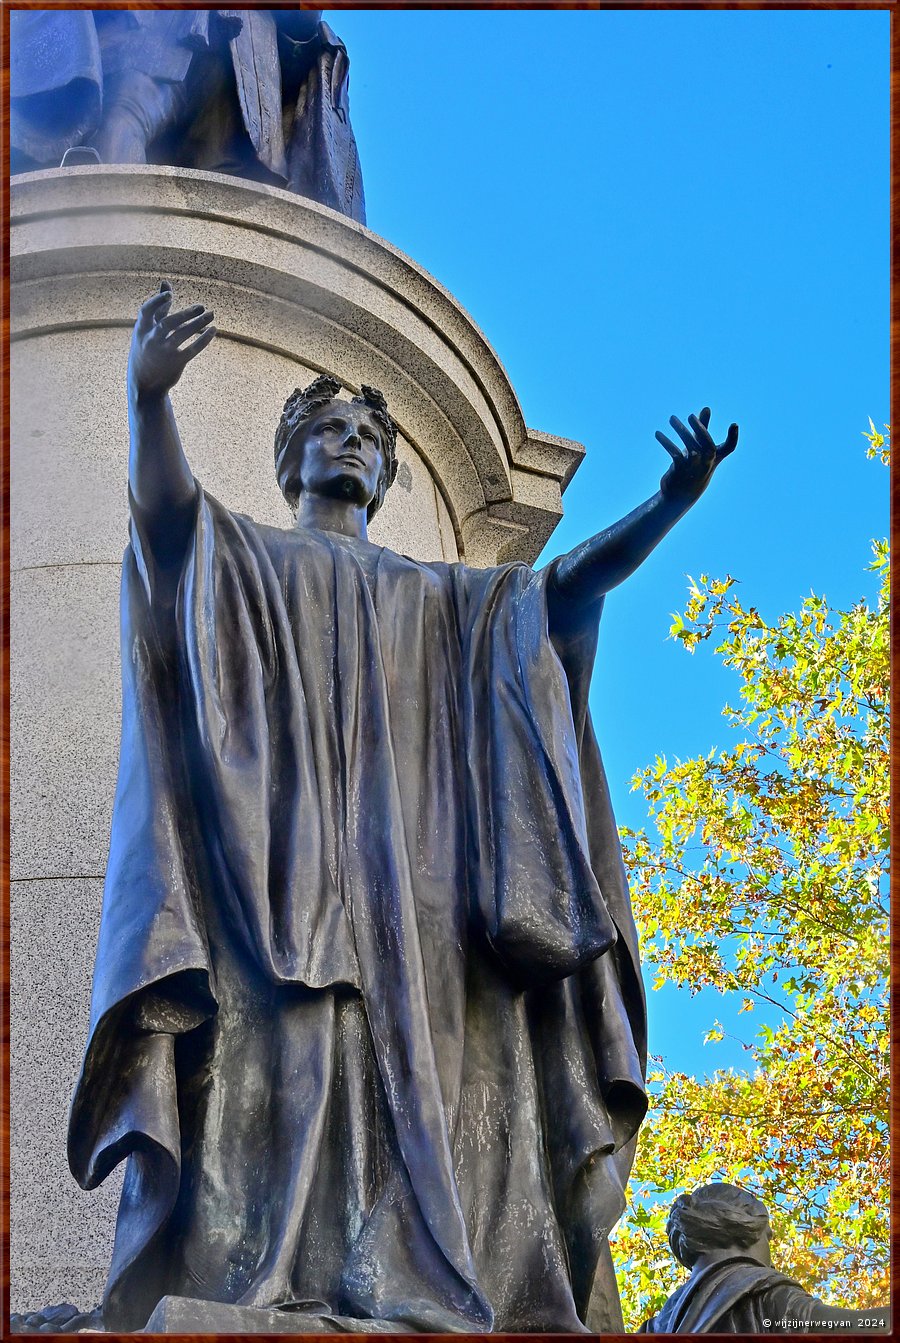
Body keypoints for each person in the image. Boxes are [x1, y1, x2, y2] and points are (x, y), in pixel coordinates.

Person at [67, 283, 737, 1333]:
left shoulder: (450, 596)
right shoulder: (250, 554)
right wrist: (149, 399)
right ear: (291, 457)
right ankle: (263, 1275)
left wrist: (667, 505)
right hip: (275, 878)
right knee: (281, 1066)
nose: (348, 444)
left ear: (386, 472)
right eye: (326, 428)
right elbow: (167, 521)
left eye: (366, 438)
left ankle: (417, 1276)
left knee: (443, 1090)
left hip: (427, 903)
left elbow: (561, 593)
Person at [10, 10, 365, 223]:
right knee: (122, 122)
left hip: (241, 71)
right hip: (148, 40)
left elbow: (299, 30)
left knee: (231, 198)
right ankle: (103, 246)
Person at [640, 1183, 890, 1333]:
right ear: (746, 1230)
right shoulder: (760, 1293)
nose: (771, 1258)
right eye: (767, 1237)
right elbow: (857, 1327)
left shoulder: (655, 1326)